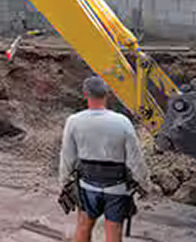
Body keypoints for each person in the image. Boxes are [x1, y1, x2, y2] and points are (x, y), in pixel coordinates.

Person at [59, 76, 151, 242]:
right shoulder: (122, 122)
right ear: (107, 94)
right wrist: (143, 183)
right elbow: (135, 159)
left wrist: (64, 182)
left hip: (88, 185)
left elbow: (67, 156)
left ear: (85, 94)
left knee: (83, 226)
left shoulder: (74, 121)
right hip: (117, 187)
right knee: (113, 231)